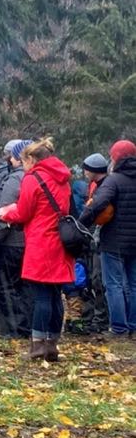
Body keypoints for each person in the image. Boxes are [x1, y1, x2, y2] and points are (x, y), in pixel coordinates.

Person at [0, 138, 74, 361]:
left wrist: (5, 214)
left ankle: (38, 345)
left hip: (41, 241)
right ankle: (52, 344)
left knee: (41, 295)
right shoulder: (63, 177)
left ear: (31, 159)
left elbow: (24, 212)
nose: (23, 166)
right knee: (55, 295)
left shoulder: (33, 178)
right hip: (61, 241)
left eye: (23, 161)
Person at [79, 141, 136, 337]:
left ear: (116, 158)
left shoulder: (114, 180)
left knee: (114, 285)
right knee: (134, 284)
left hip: (114, 241)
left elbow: (97, 204)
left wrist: (80, 224)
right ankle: (133, 326)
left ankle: (119, 328)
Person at [0, 139, 33, 338]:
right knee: (25, 285)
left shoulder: (15, 179)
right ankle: (29, 326)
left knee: (4, 284)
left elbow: (3, 211)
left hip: (11, 240)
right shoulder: (37, 177)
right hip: (29, 240)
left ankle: (17, 328)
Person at [69, 152, 111, 334]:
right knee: (95, 280)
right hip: (95, 237)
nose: (85, 172)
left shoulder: (105, 188)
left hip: (99, 239)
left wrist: (78, 227)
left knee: (98, 280)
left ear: (95, 170)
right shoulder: (97, 187)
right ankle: (99, 317)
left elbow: (92, 212)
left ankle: (102, 319)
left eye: (87, 169)